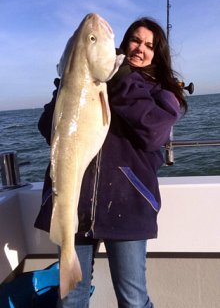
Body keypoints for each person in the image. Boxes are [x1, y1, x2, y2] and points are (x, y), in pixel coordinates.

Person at [35, 17, 187, 308]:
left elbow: (154, 132)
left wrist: (122, 81)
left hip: (127, 207)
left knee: (133, 299)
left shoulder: (164, 93)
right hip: (75, 208)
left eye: (149, 45)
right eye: (135, 40)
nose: (140, 48)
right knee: (70, 300)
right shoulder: (89, 79)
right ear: (124, 42)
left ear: (157, 54)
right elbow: (47, 130)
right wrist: (69, 85)